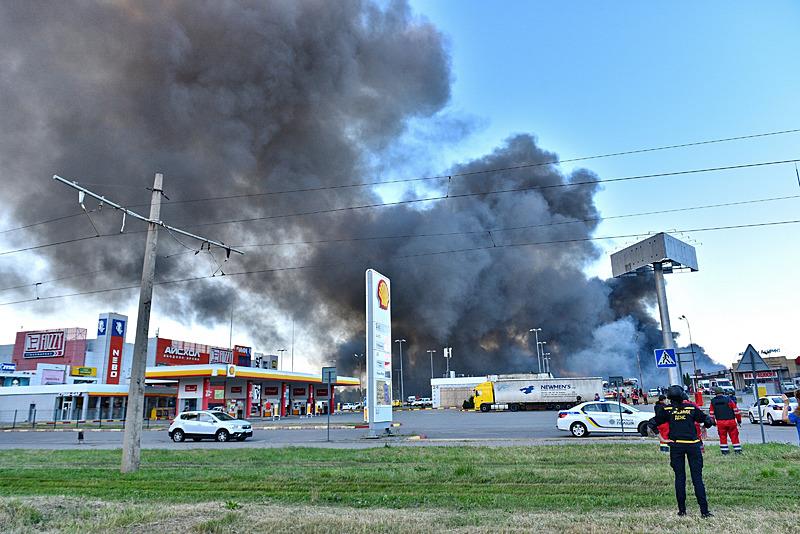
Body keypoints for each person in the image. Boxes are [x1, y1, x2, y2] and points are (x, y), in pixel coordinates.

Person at [648, 385, 716, 518]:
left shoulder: (667, 410)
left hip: (676, 446)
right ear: (682, 395)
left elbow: (651, 423)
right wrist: (704, 427)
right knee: (697, 478)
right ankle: (704, 511)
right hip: (693, 445)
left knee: (679, 478)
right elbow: (708, 420)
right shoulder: (691, 408)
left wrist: (661, 438)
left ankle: (682, 511)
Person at [709, 387, 742, 455]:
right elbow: (736, 411)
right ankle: (737, 451)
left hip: (720, 422)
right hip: (731, 421)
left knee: (722, 437)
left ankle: (725, 452)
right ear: (723, 392)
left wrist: (713, 422)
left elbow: (711, 414)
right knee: (734, 436)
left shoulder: (713, 401)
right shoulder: (729, 400)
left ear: (715, 393)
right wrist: (739, 420)